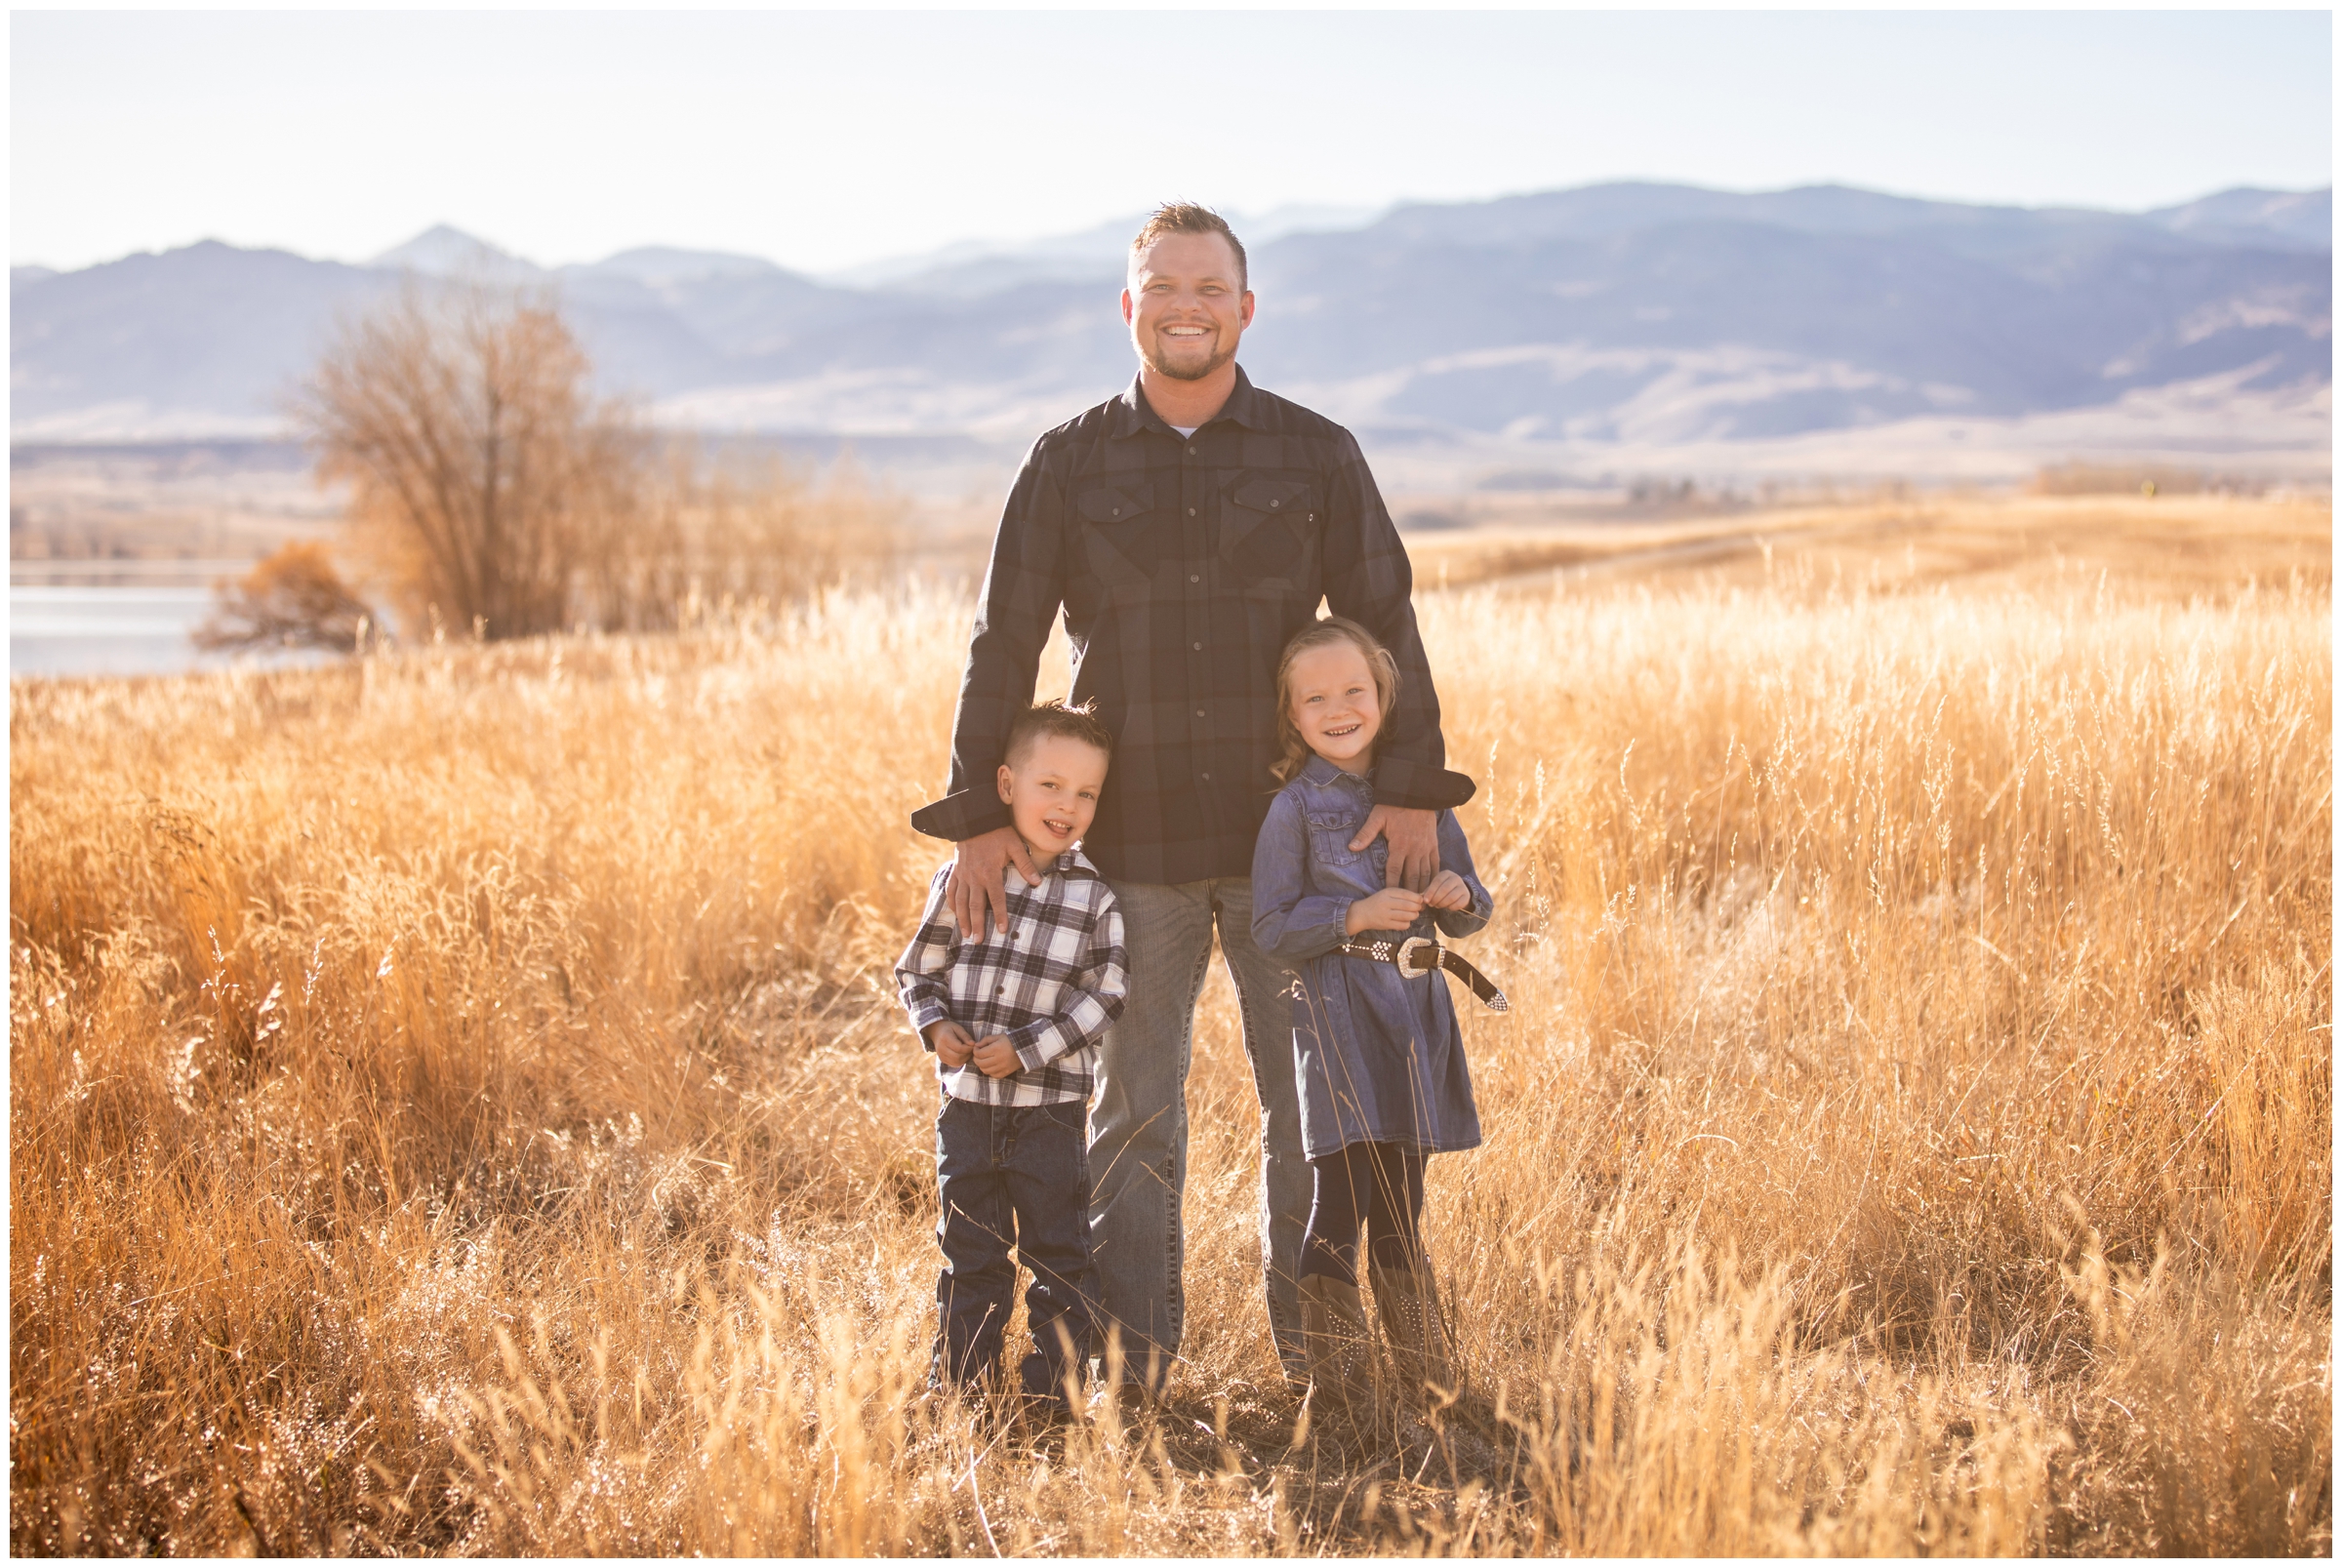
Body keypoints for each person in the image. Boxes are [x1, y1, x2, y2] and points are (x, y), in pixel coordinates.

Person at [909, 202, 1473, 1398]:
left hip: (1296, 855)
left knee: (1312, 1113)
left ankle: (1322, 1369)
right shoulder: (1065, 462)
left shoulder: (1317, 453)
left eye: (1209, 287)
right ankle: (1130, 1367)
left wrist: (1413, 791)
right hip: (1134, 852)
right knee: (1130, 1119)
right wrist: (982, 812)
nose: (1186, 306)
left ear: (1245, 307)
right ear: (1129, 307)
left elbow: (1384, 620)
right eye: (1162, 287)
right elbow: (1001, 640)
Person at [1249, 616, 1504, 1435]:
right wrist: (1351, 913)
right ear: (1292, 715)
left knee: (1403, 1197)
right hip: (1336, 1020)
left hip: (1412, 1021)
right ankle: (1342, 1396)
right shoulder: (1292, 810)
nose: (1338, 706)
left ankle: (1427, 1385)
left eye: (1354, 689)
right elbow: (1270, 926)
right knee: (1341, 1191)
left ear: (1385, 699)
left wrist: (1461, 897)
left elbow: (1471, 905)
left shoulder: (1424, 802)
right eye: (1315, 696)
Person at [895, 701, 1128, 1419]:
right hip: (966, 1110)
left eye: (1086, 793)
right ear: (1006, 784)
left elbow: (1106, 995)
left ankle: (1051, 1393)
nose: (1068, 805)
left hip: (1049, 1116)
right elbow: (916, 972)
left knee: (1059, 1255)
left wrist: (1027, 1049)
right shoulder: (960, 877)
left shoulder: (1094, 898)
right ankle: (960, 1385)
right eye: (1050, 785)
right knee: (970, 1251)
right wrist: (936, 1027)